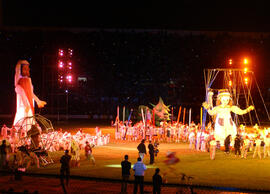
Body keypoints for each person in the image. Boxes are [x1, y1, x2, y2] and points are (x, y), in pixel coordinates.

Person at [13, 60, 47, 135]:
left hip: (29, 104)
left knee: (29, 121)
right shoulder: (19, 80)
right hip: (23, 105)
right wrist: (19, 63)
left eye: (28, 69)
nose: (27, 70)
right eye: (24, 68)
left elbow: (31, 93)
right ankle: (17, 135)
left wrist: (38, 101)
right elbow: (20, 91)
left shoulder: (29, 80)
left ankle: (28, 135)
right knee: (21, 119)